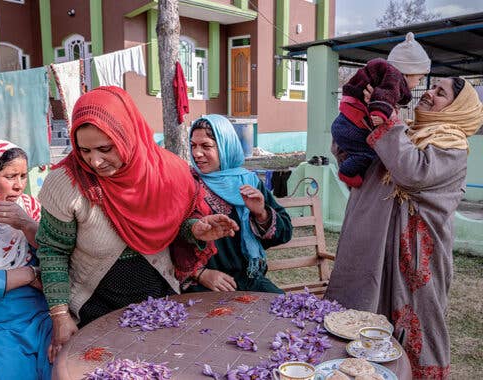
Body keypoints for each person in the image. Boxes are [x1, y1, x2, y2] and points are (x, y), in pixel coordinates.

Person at [37, 86, 239, 357]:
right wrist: (60, 316)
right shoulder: (67, 183)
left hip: (158, 300)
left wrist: (195, 230)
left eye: (105, 148)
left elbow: (175, 225)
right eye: (84, 150)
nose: (94, 161)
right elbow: (53, 251)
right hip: (94, 305)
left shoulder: (167, 172)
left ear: (127, 135)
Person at [326, 77, 483, 379]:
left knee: (416, 319)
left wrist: (388, 122)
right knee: (362, 313)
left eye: (441, 93)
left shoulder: (451, 144)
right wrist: (359, 116)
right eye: (431, 87)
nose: (429, 94)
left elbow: (412, 172)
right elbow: (362, 162)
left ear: (458, 108)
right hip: (375, 243)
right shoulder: (405, 132)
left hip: (416, 251)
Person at [184, 114, 293, 294]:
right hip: (204, 286)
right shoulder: (188, 184)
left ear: (226, 146)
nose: (196, 153)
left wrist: (261, 214)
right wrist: (200, 273)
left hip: (249, 281)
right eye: (193, 145)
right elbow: (169, 236)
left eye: (206, 146)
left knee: (285, 311)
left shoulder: (248, 181)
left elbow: (285, 232)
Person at [0, 139, 52, 380]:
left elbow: (55, 256)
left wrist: (26, 225)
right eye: (10, 177)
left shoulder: (30, 209)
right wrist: (28, 275)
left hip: (40, 317)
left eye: (23, 176)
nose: (19, 186)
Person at [331, 32, 429, 188]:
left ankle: (351, 172)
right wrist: (380, 113)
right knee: (366, 154)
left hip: (345, 123)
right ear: (408, 72)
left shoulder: (388, 78)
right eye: (419, 78)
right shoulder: (394, 79)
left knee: (364, 153)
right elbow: (383, 97)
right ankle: (347, 173)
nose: (419, 83)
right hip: (350, 127)